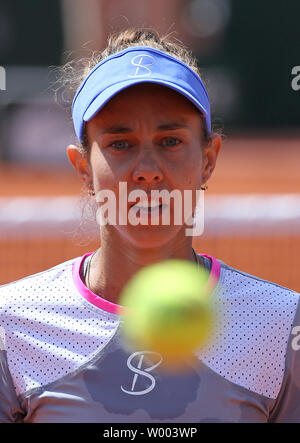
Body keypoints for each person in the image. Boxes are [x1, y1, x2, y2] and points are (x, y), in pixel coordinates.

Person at [0, 28, 299, 423]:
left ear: (209, 159)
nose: (147, 172)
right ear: (83, 167)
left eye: (170, 141)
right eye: (120, 144)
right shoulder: (12, 324)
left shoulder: (282, 326)